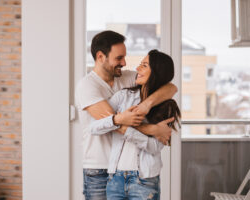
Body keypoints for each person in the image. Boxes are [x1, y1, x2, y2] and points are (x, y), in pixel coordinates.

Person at [76, 31, 177, 200]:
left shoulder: (127, 78)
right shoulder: (87, 86)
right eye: (119, 58)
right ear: (101, 56)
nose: (124, 63)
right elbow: (116, 122)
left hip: (125, 169)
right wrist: (152, 129)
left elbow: (170, 86)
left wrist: (147, 104)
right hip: (99, 167)